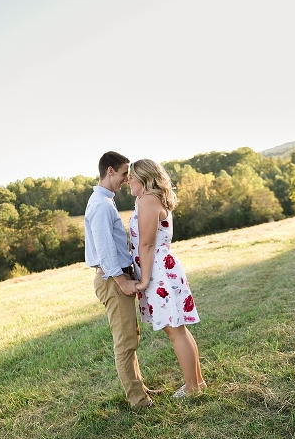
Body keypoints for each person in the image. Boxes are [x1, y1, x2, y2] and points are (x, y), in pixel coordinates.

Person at [85, 151, 158, 408]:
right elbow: (105, 252)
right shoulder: (101, 205)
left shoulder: (106, 201)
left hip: (116, 277)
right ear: (110, 171)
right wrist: (123, 282)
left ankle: (139, 388)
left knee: (130, 337)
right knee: (125, 342)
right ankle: (138, 399)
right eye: (125, 173)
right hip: (112, 280)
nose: (127, 179)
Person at [128, 158, 206, 398]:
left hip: (158, 272)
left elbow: (147, 244)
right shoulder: (150, 199)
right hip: (161, 268)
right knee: (178, 330)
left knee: (176, 331)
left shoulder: (148, 200)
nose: (128, 181)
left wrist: (144, 281)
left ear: (143, 178)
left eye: (131, 176)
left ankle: (192, 387)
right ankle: (198, 382)